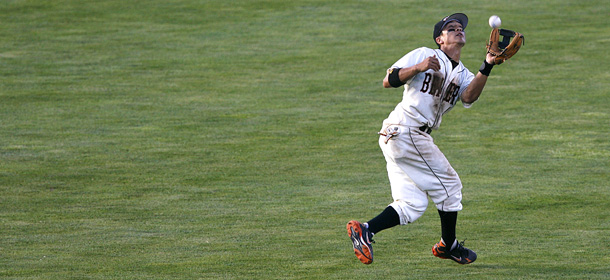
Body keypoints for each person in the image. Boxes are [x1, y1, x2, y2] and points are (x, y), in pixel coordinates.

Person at [347, 13, 499, 265]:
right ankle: (448, 245)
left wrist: (488, 63)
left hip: (400, 136)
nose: (458, 30)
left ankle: (365, 230)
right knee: (450, 185)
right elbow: (389, 80)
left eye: (460, 28)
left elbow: (469, 97)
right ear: (440, 39)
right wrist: (419, 67)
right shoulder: (424, 54)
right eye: (451, 28)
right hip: (406, 130)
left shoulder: (462, 73)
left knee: (413, 204)